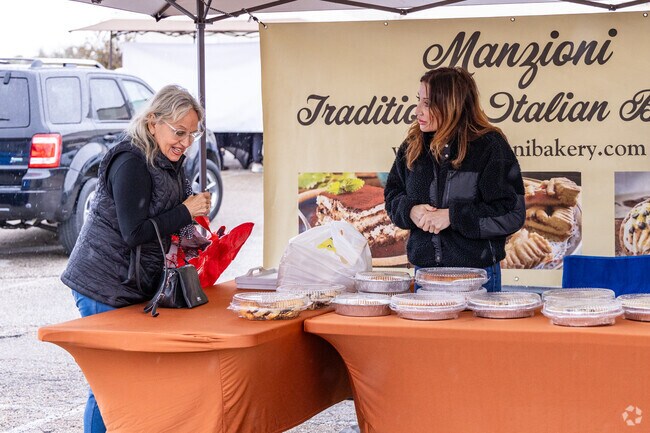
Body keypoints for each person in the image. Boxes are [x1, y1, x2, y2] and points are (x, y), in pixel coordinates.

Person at [60, 84, 211, 433]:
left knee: (137, 380)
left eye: (192, 134)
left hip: (135, 284)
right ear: (153, 121)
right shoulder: (130, 162)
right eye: (179, 132)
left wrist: (201, 236)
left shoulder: (171, 162)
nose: (186, 143)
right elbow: (134, 233)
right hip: (102, 284)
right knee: (111, 383)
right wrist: (186, 212)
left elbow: (173, 219)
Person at [384, 67, 525, 292]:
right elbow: (392, 195)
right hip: (424, 276)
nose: (417, 111)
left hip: (478, 278)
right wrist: (410, 210)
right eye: (418, 100)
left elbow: (511, 214)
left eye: (427, 103)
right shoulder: (412, 146)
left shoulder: (490, 146)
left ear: (451, 105)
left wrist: (453, 216)